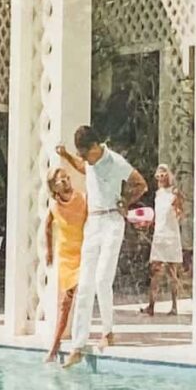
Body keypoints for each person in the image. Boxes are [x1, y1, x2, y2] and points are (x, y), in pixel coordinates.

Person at [57, 122, 144, 364]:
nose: (84, 159)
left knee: (102, 279)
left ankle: (108, 332)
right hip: (93, 223)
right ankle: (78, 345)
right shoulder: (89, 161)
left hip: (112, 221)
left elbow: (141, 184)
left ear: (96, 146)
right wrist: (66, 156)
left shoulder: (116, 162)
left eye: (85, 153)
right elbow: (82, 166)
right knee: (85, 285)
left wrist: (126, 201)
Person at [41, 166, 86, 364]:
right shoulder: (54, 206)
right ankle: (55, 344)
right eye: (61, 180)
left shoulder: (82, 198)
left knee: (79, 295)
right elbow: (47, 227)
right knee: (65, 303)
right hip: (66, 256)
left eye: (67, 177)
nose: (67, 181)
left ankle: (79, 341)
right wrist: (49, 251)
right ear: (54, 187)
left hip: (84, 253)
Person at [144, 164, 184, 316]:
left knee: (172, 272)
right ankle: (151, 306)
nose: (161, 178)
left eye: (164, 175)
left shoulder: (174, 192)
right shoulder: (158, 194)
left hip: (171, 235)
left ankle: (174, 306)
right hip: (159, 235)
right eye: (159, 176)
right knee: (155, 271)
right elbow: (157, 214)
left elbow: (181, 212)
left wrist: (177, 210)